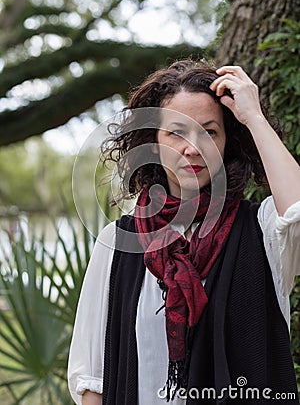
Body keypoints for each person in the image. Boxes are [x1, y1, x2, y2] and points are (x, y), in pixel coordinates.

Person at [68, 60, 300, 405]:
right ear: (152, 142)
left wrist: (253, 117)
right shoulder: (117, 242)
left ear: (228, 143)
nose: (193, 148)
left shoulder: (263, 231)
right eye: (176, 133)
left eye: (209, 131)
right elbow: (93, 380)